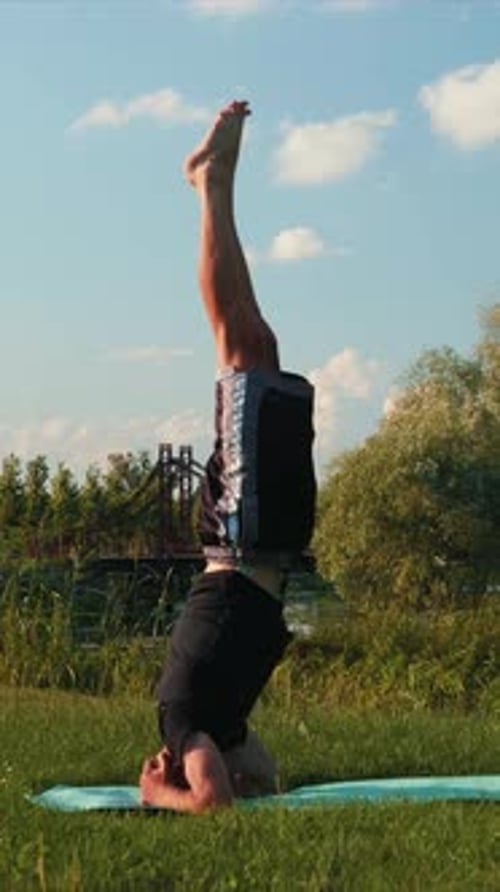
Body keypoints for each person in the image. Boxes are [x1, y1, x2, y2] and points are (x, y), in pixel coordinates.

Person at [139, 100, 316, 813]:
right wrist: (224, 766)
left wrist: (160, 794)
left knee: (243, 351)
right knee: (261, 347)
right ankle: (214, 184)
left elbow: (214, 804)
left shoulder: (181, 719)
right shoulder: (215, 725)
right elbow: (265, 778)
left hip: (244, 539)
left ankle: (210, 183)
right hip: (266, 545)